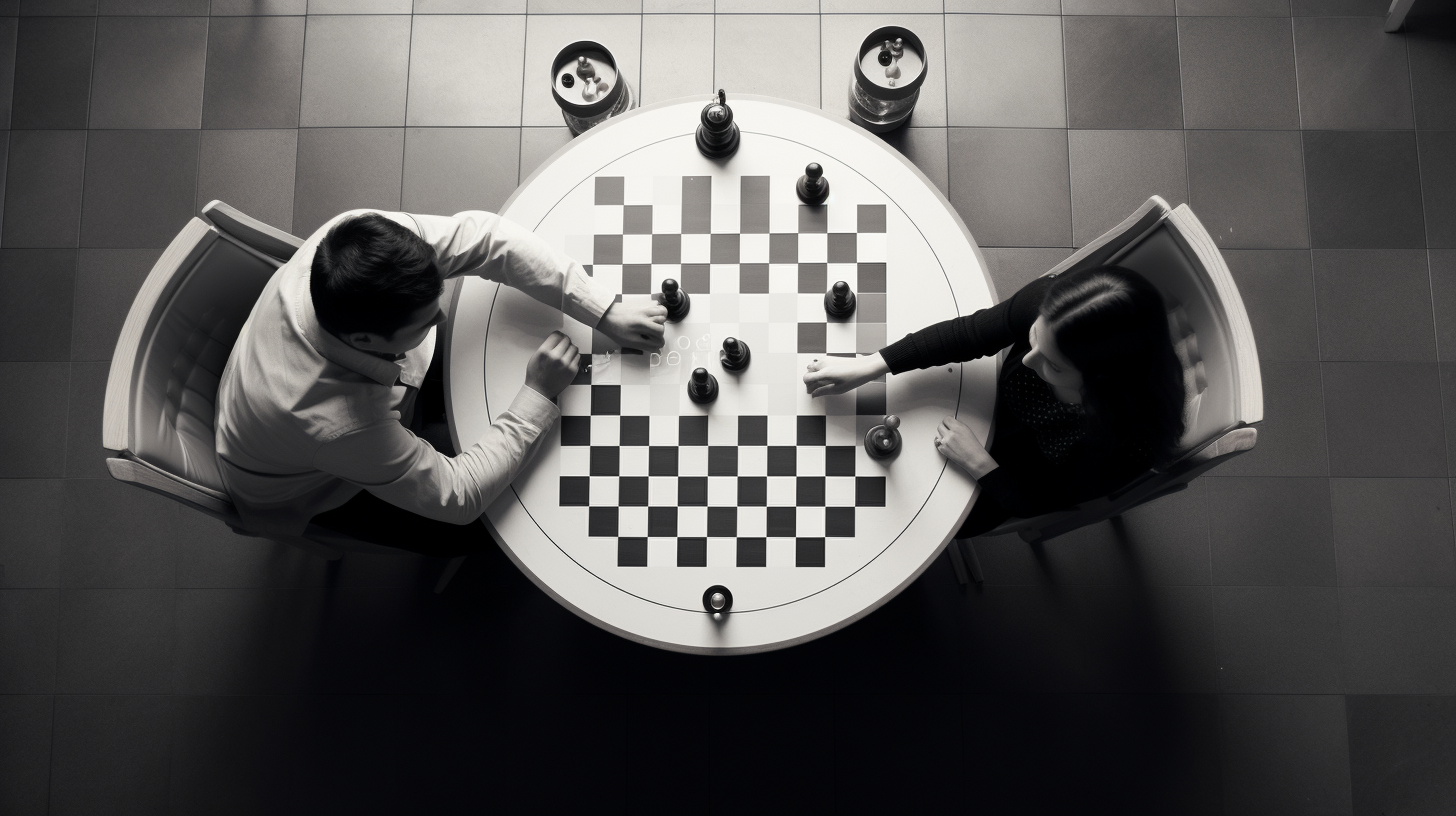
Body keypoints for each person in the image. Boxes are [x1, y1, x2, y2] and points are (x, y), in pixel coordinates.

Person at [215, 210, 667, 556]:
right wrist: (537, 395)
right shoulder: (336, 422)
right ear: (366, 339)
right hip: (311, 484)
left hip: (292, 400)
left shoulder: (361, 238)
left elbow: (488, 239)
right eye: (427, 318)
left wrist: (604, 309)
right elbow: (459, 496)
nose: (443, 316)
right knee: (494, 537)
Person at [802, 265, 1186, 539]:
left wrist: (981, 463)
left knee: (906, 526)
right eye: (1034, 337)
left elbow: (1039, 499)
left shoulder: (1130, 444)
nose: (1027, 361)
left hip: (1018, 472)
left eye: (1052, 365)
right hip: (986, 409)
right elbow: (970, 333)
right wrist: (870, 366)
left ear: (1101, 386)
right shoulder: (1051, 306)